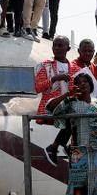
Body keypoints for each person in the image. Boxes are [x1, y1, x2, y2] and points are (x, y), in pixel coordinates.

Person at [36, 36, 80, 164]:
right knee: (72, 117)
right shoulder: (45, 65)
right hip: (51, 107)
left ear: (68, 48)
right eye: (55, 45)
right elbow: (38, 87)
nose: (56, 48)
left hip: (70, 107)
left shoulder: (75, 69)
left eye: (60, 45)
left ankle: (68, 148)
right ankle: (58, 147)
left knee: (81, 117)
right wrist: (54, 79)